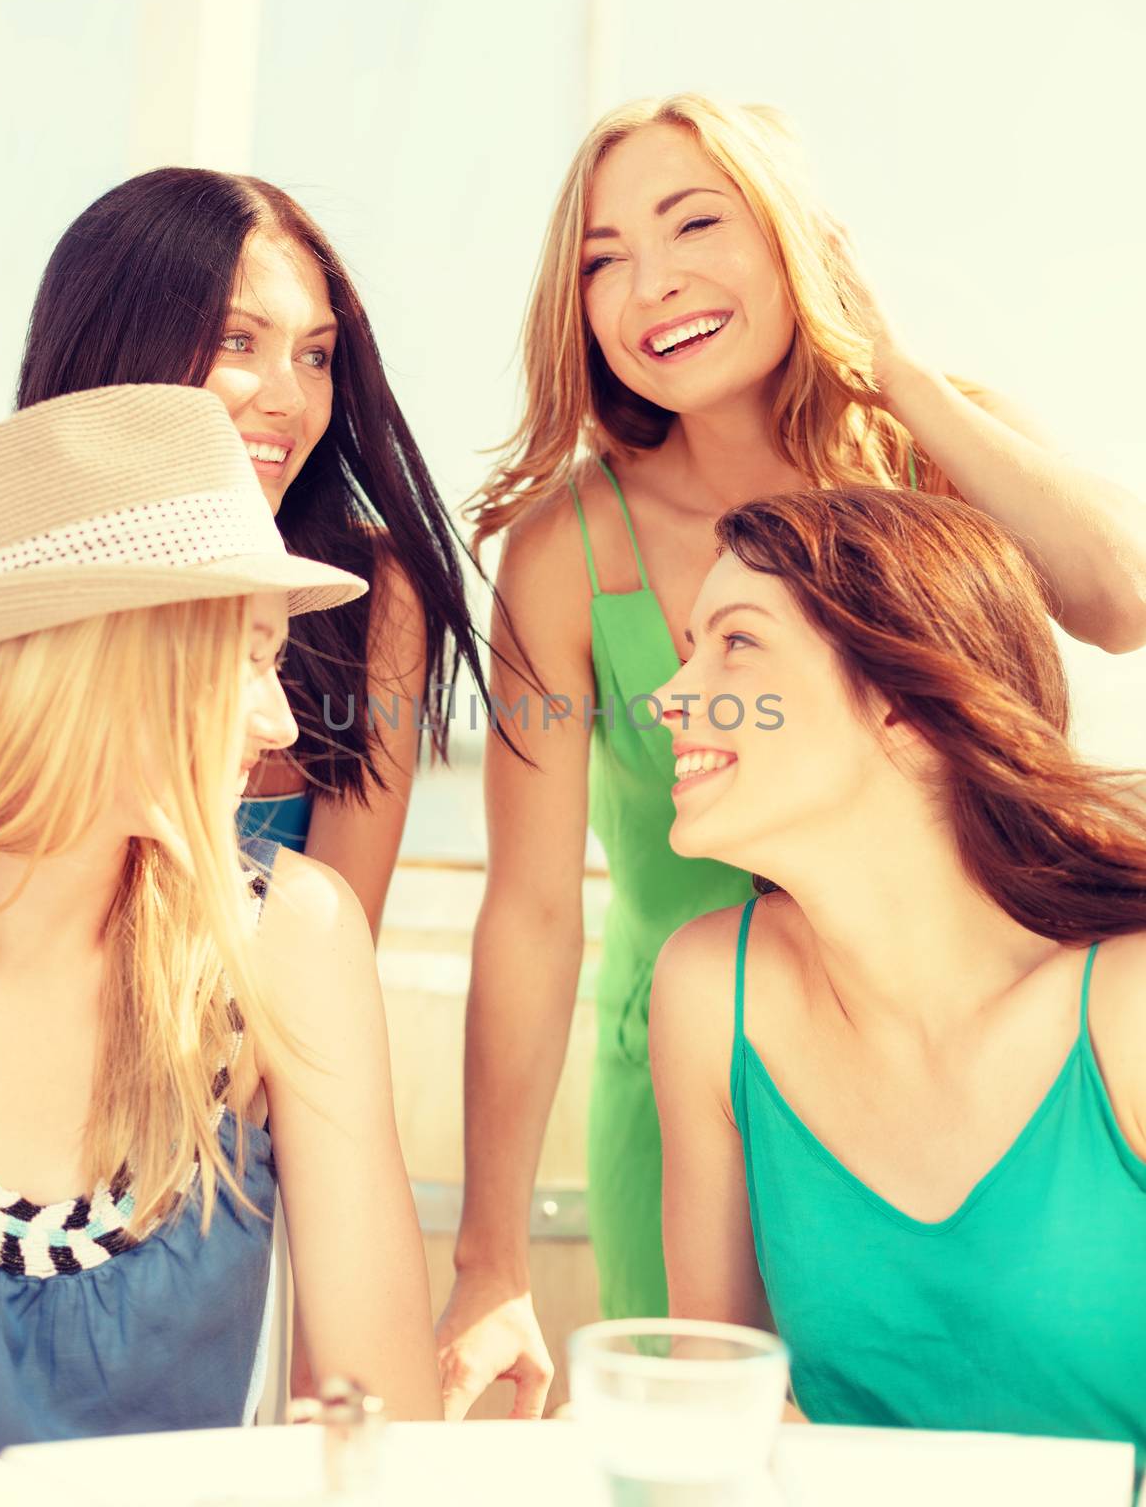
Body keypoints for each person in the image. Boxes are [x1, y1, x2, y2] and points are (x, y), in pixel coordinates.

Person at [438, 93, 1146, 1418]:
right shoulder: (562, 555)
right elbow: (532, 914)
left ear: (794, 242)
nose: (651, 285)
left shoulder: (940, 457)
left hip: (982, 1070)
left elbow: (1123, 596)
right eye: (601, 259)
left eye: (698, 221)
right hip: (698, 1069)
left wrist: (900, 373)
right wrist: (488, 1254)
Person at [0, 385, 442, 1451]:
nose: (276, 723)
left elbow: (384, 1423)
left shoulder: (287, 937)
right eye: (253, 655)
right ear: (106, 660)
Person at [649, 485, 1146, 1460]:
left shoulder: (1125, 1011)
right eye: (686, 648)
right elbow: (716, 1410)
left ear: (905, 711)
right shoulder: (711, 991)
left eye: (736, 643)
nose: (667, 696)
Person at [17, 167, 496, 939]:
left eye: (315, 355)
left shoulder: (368, 594)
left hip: (260, 1045)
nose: (292, 399)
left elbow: (338, 948)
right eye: (240, 341)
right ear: (117, 346)